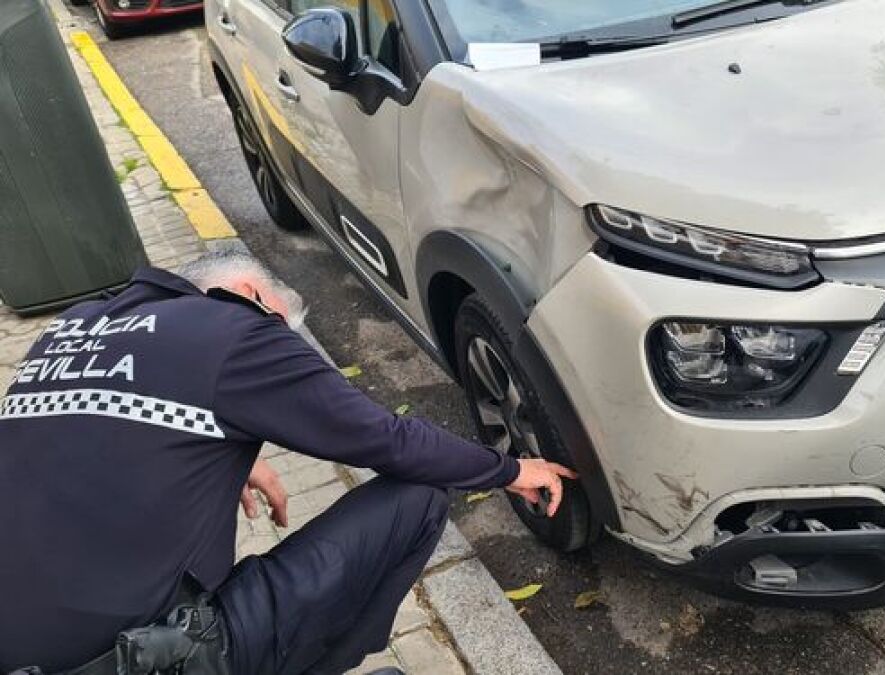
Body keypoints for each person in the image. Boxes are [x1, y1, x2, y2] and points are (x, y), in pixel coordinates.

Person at [0, 251, 576, 674]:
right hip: (148, 659)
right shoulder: (235, 331)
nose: (286, 350)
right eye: (282, 330)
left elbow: (90, 443)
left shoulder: (72, 328)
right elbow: (386, 438)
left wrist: (226, 455)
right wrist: (510, 470)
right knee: (418, 495)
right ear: (249, 294)